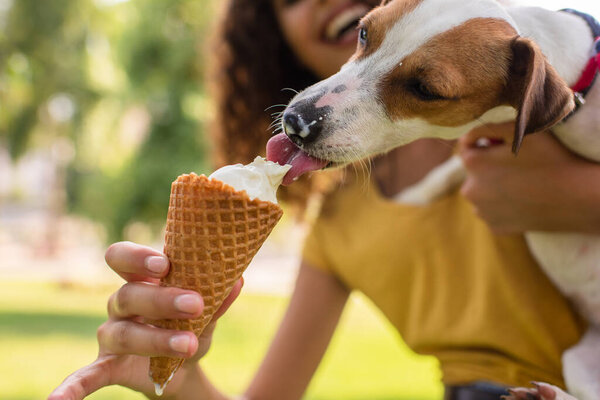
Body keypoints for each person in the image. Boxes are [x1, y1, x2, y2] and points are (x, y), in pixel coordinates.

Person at [50, 0, 600, 399]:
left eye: (423, 88)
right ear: (274, 35)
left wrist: (582, 199)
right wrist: (175, 371)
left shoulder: (535, 92)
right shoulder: (337, 222)